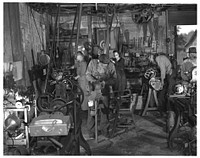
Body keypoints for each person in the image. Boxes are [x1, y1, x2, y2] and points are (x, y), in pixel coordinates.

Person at [86, 54, 117, 138]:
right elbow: (88, 74)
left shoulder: (111, 65)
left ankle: (104, 131)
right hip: (92, 92)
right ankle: (91, 132)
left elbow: (114, 79)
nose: (104, 67)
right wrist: (94, 82)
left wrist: (105, 83)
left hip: (104, 92)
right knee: (92, 111)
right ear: (99, 62)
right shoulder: (92, 63)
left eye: (105, 66)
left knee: (105, 111)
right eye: (102, 65)